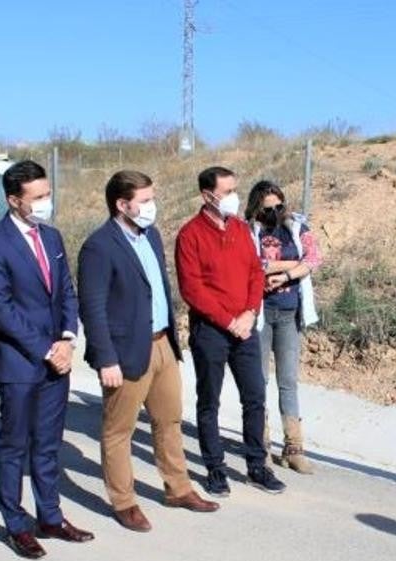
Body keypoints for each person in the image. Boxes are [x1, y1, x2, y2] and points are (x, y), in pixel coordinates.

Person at [77, 171, 219, 530]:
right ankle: (124, 502)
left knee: (169, 421)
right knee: (118, 430)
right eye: (144, 201)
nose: (152, 207)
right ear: (122, 205)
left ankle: (178, 488)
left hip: (162, 345)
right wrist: (105, 358)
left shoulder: (151, 235)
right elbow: (92, 308)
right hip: (125, 354)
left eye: (151, 199)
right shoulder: (99, 246)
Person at [0, 160, 93, 559]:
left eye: (47, 194)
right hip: (20, 363)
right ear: (13, 200)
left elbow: (67, 293)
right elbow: (1, 309)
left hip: (57, 358)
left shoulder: (53, 238)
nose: (46, 202)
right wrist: (45, 349)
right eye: (37, 197)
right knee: (14, 445)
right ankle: (16, 523)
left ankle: (51, 516)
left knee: (47, 443)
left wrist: (67, 339)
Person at [175, 166, 286, 497]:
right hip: (212, 331)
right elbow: (192, 289)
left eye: (235, 189)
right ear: (208, 195)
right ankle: (215, 468)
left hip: (246, 326)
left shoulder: (240, 229)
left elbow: (255, 273)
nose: (234, 197)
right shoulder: (190, 234)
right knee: (209, 400)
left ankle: (256, 465)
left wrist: (250, 313)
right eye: (227, 192)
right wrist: (228, 321)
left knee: (255, 397)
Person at [244, 180, 323, 474]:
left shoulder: (296, 228)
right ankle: (260, 444)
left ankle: (294, 446)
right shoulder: (247, 231)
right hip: (260, 315)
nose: (275, 212)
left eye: (279, 206)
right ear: (256, 208)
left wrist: (285, 272)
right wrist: (289, 264)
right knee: (259, 380)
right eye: (268, 208)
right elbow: (251, 264)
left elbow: (313, 258)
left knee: (288, 380)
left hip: (290, 314)